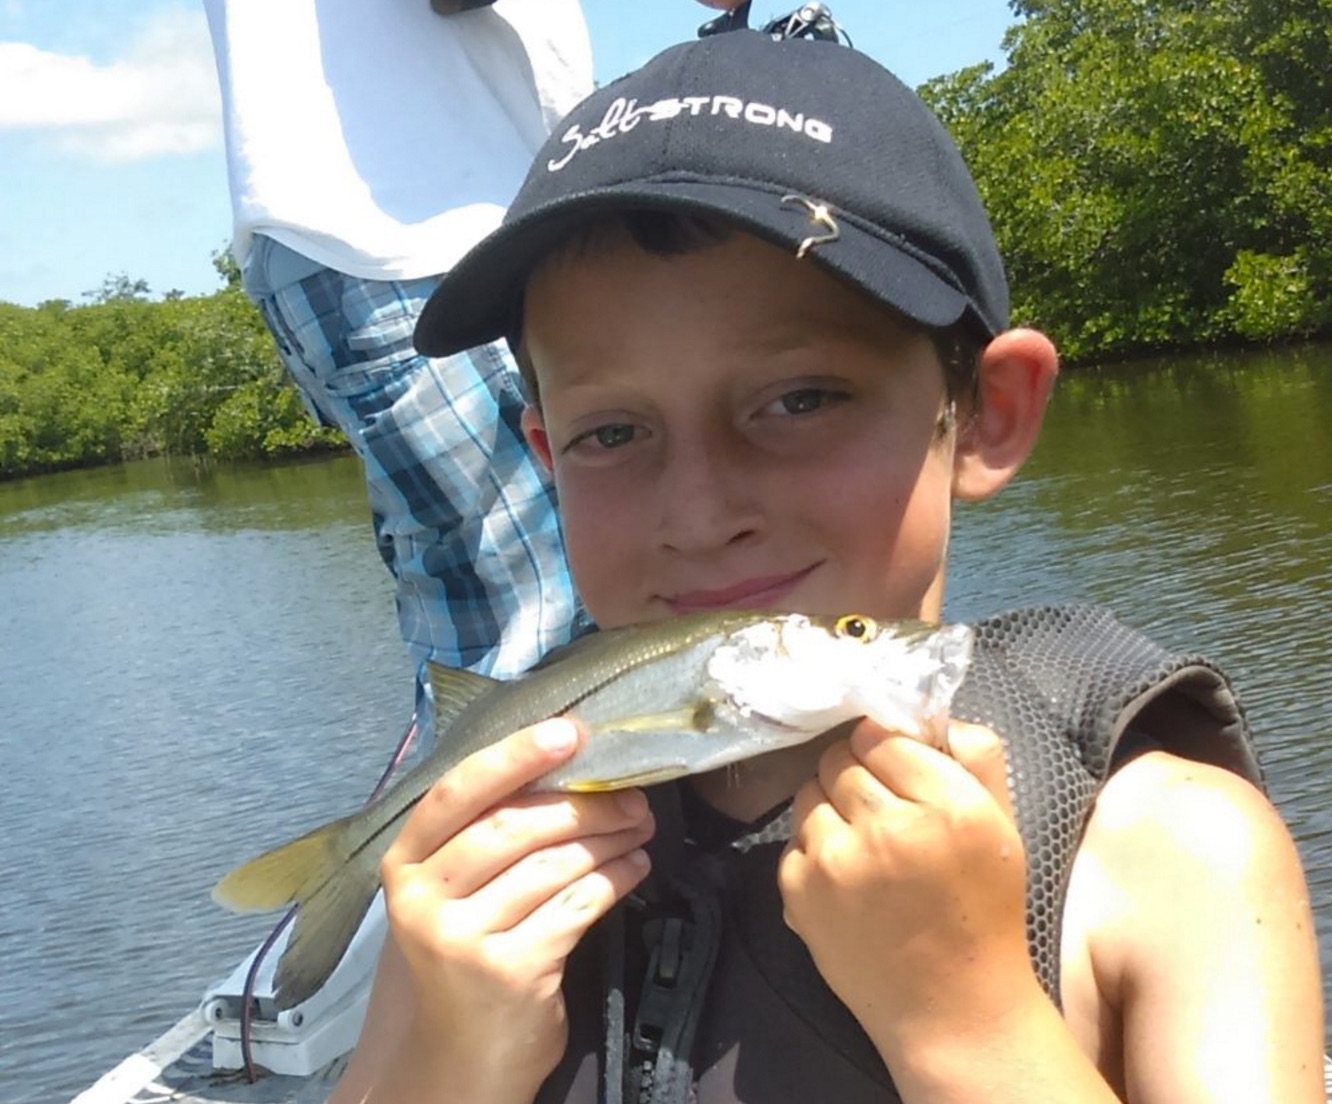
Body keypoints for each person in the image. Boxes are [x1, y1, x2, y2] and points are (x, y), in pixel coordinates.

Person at [328, 30, 1326, 1104]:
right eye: (612, 434)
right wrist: (447, 1057)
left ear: (988, 413)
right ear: (545, 459)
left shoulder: (1179, 855)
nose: (701, 512)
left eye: (799, 400)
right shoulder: (484, 872)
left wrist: (963, 1019)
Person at [202, 0, 595, 741]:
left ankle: (380, 854)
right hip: (417, 232)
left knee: (506, 658)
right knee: (530, 668)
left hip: (395, 236)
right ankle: (398, 858)